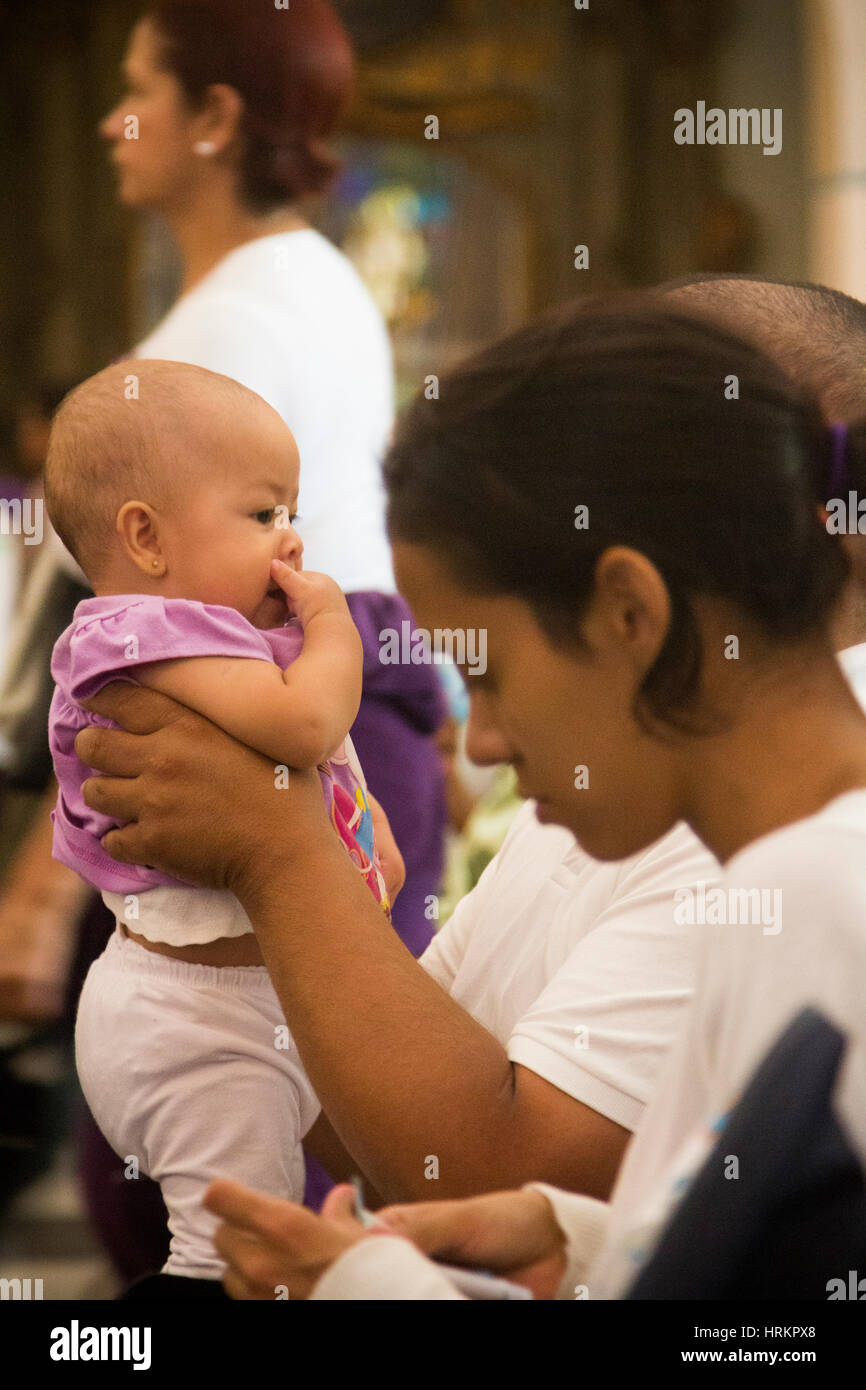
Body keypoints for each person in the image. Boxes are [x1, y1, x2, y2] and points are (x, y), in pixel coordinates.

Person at [73, 294, 866, 1297]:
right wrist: (573, 1241)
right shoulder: (742, 848)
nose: (481, 743)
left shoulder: (815, 881)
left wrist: (280, 855)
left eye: (485, 674)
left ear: (630, 610)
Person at [45, 359, 398, 1278]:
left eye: (293, 512)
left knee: (330, 1211)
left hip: (261, 999)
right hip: (194, 1020)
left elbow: (316, 766)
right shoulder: (135, 636)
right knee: (234, 1258)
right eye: (263, 514)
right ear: (146, 538)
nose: (292, 540)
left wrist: (364, 839)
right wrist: (335, 630)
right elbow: (306, 723)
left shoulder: (222, 635)